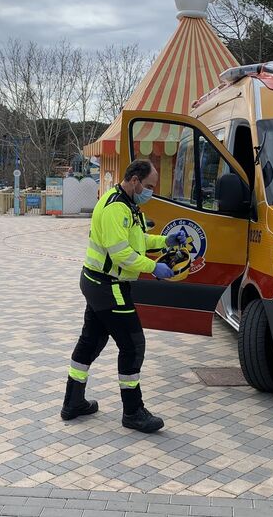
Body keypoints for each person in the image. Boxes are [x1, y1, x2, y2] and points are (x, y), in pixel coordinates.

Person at [60, 159, 187, 433]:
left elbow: (138, 241)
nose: (150, 191)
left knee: (90, 342)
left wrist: (166, 241)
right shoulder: (115, 208)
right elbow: (122, 255)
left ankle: (73, 402)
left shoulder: (129, 205)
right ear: (134, 180)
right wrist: (155, 267)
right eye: (149, 186)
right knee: (132, 345)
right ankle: (133, 411)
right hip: (108, 286)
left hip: (98, 283)